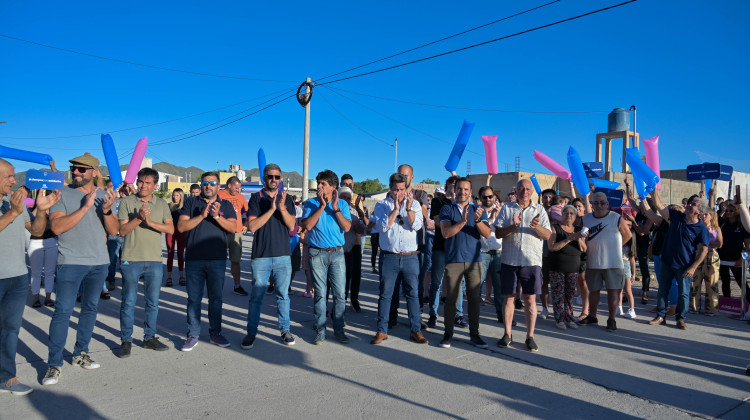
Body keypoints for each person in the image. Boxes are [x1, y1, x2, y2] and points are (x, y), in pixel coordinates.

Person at [43, 154, 118, 386]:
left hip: (99, 262)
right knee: (63, 312)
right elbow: (56, 226)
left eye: (81, 169)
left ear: (94, 172)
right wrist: (86, 207)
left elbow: (115, 231)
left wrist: (106, 210)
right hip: (71, 262)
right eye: (73, 168)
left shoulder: (106, 196)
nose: (75, 172)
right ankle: (54, 364)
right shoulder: (61, 194)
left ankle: (80, 353)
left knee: (90, 309)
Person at [0, 158, 60, 395]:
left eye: (14, 176)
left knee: (10, 329)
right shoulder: (14, 206)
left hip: (17, 276)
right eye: (9, 177)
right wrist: (14, 212)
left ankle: (7, 377)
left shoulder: (13, 201)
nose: (15, 181)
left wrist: (42, 211)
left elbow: (35, 230)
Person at [116, 168, 173, 357]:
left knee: (152, 303)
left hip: (154, 259)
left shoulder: (162, 203)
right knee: (128, 302)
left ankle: (149, 337)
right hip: (130, 259)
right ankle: (126, 340)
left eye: (148, 183)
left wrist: (150, 223)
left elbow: (170, 228)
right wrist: (139, 218)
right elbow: (122, 231)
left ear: (155, 185)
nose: (143, 185)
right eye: (140, 181)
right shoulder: (126, 201)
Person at [178, 172, 237, 351]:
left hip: (217, 259)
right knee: (194, 299)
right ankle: (193, 334)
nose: (208, 186)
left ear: (218, 186)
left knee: (216, 299)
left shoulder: (226, 205)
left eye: (212, 183)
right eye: (205, 182)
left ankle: (215, 332)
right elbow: (181, 227)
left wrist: (218, 216)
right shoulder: (190, 203)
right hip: (194, 259)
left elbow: (233, 227)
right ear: (201, 185)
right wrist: (202, 216)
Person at [242, 164, 298, 349]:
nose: (273, 180)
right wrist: (272, 209)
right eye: (270, 177)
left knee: (283, 295)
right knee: (256, 297)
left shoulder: (287, 198)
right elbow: (252, 226)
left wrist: (281, 208)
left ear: (280, 179)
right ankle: (251, 332)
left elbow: (292, 227)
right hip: (261, 256)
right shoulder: (256, 199)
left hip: (283, 255)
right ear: (264, 178)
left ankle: (285, 329)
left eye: (277, 177)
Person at [495, 179, 551, 352]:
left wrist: (536, 227)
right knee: (509, 298)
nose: (524, 192)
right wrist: (514, 226)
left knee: (530, 299)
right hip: (510, 260)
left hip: (531, 261)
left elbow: (547, 235)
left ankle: (530, 336)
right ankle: (507, 334)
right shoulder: (507, 208)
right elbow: (498, 232)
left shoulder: (540, 210)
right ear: (516, 190)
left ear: (532, 191)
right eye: (521, 189)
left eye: (527, 189)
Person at [370, 173, 427, 345]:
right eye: (396, 189)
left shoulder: (415, 204)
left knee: (413, 294)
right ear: (390, 188)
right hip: (390, 257)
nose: (399, 193)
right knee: (386, 294)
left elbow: (417, 225)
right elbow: (382, 227)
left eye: (402, 189)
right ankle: (382, 330)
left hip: (410, 257)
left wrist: (408, 209)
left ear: (406, 189)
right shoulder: (381, 205)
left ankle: (416, 330)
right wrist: (395, 209)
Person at [438, 177, 491, 349]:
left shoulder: (479, 210)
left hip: (474, 261)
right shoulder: (447, 208)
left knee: (474, 300)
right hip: (454, 260)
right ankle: (448, 334)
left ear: (471, 191)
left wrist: (475, 221)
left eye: (466, 189)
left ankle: (475, 335)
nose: (462, 192)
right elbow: (446, 233)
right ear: (455, 190)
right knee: (452, 299)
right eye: (459, 189)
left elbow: (487, 234)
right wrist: (462, 222)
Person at [644, 190, 709, 329]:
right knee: (662, 290)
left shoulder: (701, 229)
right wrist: (654, 192)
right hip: (666, 261)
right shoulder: (677, 217)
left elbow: (704, 250)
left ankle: (681, 319)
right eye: (690, 203)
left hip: (685, 266)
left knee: (684, 293)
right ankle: (661, 316)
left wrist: (693, 267)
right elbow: (661, 207)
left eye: (694, 204)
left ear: (699, 211)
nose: (689, 205)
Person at [301, 170, 351, 345]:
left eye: (323, 184)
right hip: (317, 253)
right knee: (320, 294)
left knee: (339, 294)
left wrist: (335, 208)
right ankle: (320, 330)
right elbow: (306, 225)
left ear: (333, 187)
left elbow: (346, 228)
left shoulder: (342, 205)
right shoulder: (310, 203)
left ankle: (339, 329)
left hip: (337, 253)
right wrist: (322, 206)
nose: (319, 186)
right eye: (319, 183)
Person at [579, 192, 632, 332]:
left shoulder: (616, 217)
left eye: (602, 203)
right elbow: (580, 236)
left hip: (613, 262)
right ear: (592, 204)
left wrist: (614, 246)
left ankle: (612, 319)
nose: (599, 205)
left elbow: (628, 235)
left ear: (607, 204)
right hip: (593, 261)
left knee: (613, 291)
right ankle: (592, 315)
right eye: (596, 203)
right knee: (594, 291)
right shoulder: (586, 219)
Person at [426, 175, 459, 328]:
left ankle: (458, 314)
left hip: (457, 249)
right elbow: (439, 223)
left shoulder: (461, 202)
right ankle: (433, 314)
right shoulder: (438, 201)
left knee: (457, 284)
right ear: (447, 184)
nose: (454, 186)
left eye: (457, 184)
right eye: (452, 183)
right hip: (440, 246)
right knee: (436, 282)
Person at [547, 204, 586, 330]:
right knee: (558, 295)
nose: (569, 215)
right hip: (557, 267)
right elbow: (552, 247)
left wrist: (578, 238)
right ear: (561, 215)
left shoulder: (578, 229)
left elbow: (584, 249)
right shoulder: (555, 227)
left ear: (575, 217)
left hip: (573, 268)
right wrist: (569, 239)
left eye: (571, 213)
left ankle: (569, 318)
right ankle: (559, 319)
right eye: (566, 213)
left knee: (569, 296)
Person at [477, 184, 507, 324]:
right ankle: (473, 314)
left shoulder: (502, 211)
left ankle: (502, 315)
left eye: (490, 196)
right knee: (477, 284)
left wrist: (497, 215)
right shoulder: (477, 211)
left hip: (498, 252)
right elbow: (481, 229)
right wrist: (491, 219)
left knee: (499, 286)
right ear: (480, 198)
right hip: (483, 252)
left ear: (494, 197)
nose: (488, 199)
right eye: (485, 197)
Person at [218, 176, 249, 296]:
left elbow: (249, 211)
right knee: (218, 261)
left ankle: (237, 286)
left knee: (236, 261)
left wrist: (246, 224)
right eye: (236, 188)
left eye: (239, 189)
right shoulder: (219, 195)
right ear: (229, 185)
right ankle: (216, 286)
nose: (238, 191)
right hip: (221, 232)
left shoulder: (240, 197)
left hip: (236, 234)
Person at [338, 186, 367, 312]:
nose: (345, 199)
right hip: (336, 251)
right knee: (336, 281)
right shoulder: (334, 209)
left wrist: (358, 224)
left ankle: (348, 301)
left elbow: (362, 229)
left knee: (351, 276)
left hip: (350, 249)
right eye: (343, 197)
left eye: (348, 197)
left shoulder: (354, 211)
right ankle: (335, 306)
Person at [717, 200, 750, 304]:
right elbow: (711, 212)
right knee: (725, 282)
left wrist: (741, 259)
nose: (728, 212)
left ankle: (749, 303)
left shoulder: (742, 226)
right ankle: (727, 303)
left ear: (736, 211)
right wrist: (712, 196)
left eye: (731, 210)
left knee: (742, 283)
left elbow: (747, 246)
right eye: (726, 210)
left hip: (736, 259)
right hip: (722, 258)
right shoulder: (723, 224)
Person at [690, 208, 722, 315]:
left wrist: (705, 243)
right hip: (698, 255)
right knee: (695, 281)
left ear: (711, 216)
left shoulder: (716, 228)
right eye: (702, 214)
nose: (703, 216)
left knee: (712, 282)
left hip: (712, 255)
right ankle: (694, 307)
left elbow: (719, 243)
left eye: (706, 215)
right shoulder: (698, 226)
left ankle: (711, 309)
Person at [28, 198, 58, 308]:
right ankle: (36, 298)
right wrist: (40, 207)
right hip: (35, 241)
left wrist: (49, 207)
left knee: (50, 272)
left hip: (51, 241)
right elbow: (32, 216)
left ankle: (48, 297)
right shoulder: (35, 209)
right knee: (36, 272)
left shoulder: (54, 208)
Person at [166, 188, 187, 286]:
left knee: (180, 253)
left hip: (181, 231)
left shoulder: (185, 207)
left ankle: (181, 276)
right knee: (170, 252)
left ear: (181, 196)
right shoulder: (169, 206)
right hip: (170, 230)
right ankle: (169, 277)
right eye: (174, 195)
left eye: (177, 195)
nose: (175, 197)